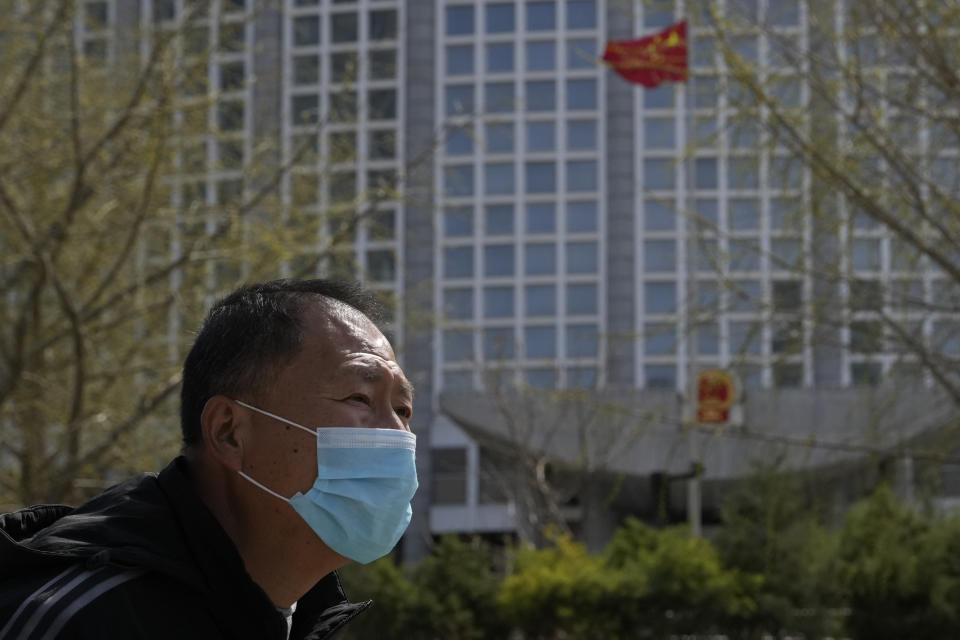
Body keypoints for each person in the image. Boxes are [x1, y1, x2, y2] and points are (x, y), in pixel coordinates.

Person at [0, 279, 419, 639]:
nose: (398, 434)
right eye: (360, 398)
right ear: (228, 432)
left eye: (403, 410)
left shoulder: (296, 616)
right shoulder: (84, 619)